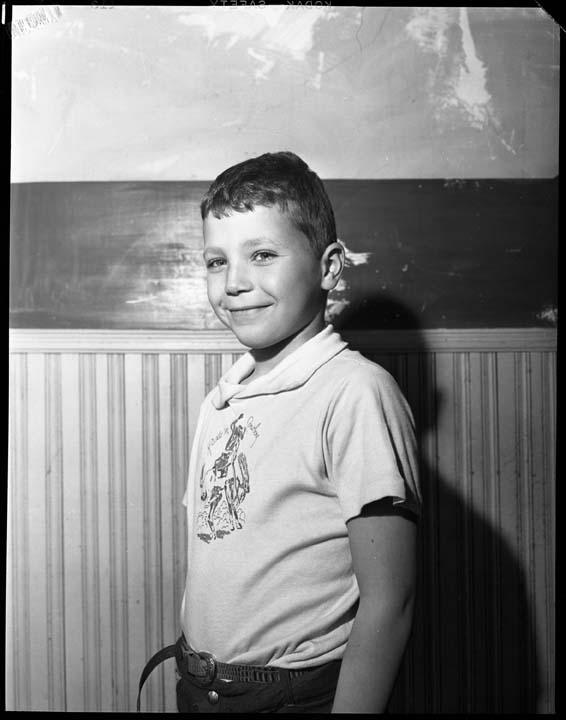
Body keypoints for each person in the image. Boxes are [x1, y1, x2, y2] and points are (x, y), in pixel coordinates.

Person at [137, 151, 421, 714]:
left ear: (329, 267)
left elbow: (391, 601)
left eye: (262, 255)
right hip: (200, 685)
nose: (234, 283)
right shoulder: (222, 399)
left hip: (291, 698)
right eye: (216, 262)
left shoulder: (355, 393)